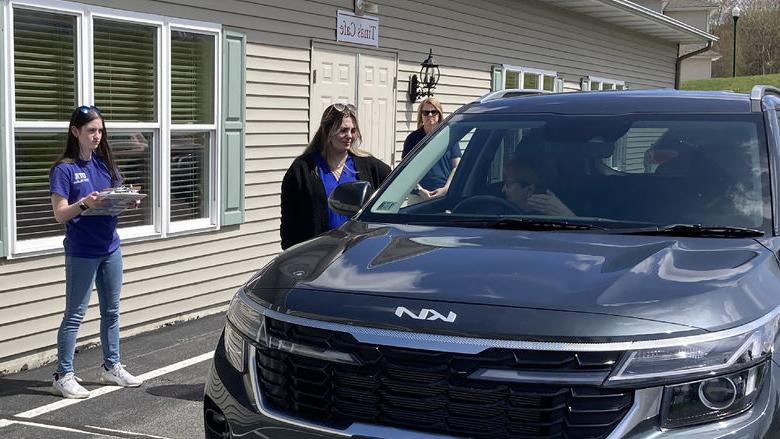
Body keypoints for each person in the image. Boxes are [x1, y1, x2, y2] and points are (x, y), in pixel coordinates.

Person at [49, 105, 143, 399]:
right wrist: (85, 204)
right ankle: (63, 375)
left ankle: (111, 367)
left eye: (100, 131)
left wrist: (127, 199)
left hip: (110, 248)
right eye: (91, 130)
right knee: (75, 314)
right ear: (75, 132)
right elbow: (60, 214)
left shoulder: (105, 165)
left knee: (112, 311)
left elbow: (113, 197)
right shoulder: (64, 169)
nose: (97, 136)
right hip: (82, 251)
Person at [280, 103, 391, 250]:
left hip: (357, 252)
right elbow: (290, 221)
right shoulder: (303, 169)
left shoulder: (368, 165)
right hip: (318, 255)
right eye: (343, 130)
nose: (349, 136)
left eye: (353, 130)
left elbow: (399, 181)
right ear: (327, 131)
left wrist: (420, 191)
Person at [401, 97, 460, 198]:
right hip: (418, 196)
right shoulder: (412, 139)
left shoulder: (449, 136)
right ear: (421, 115)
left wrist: (446, 189)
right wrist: (419, 190)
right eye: (425, 112)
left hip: (444, 195)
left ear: (439, 114)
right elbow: (405, 170)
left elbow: (456, 166)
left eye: (433, 112)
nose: (430, 115)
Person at [503, 154, 574, 216]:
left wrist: (568, 216)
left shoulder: (551, 222)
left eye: (508, 184)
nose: (503, 190)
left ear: (529, 189)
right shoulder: (496, 213)